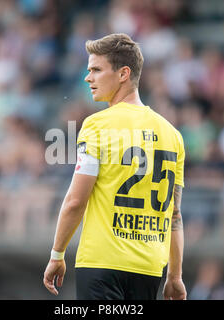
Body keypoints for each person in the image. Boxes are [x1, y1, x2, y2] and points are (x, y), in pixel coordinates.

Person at [43, 33, 186, 300]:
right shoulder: (172, 135)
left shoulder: (97, 126)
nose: (88, 78)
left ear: (123, 74)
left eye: (96, 70)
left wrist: (57, 254)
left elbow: (76, 201)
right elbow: (174, 216)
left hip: (102, 264)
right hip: (150, 268)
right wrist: (175, 276)